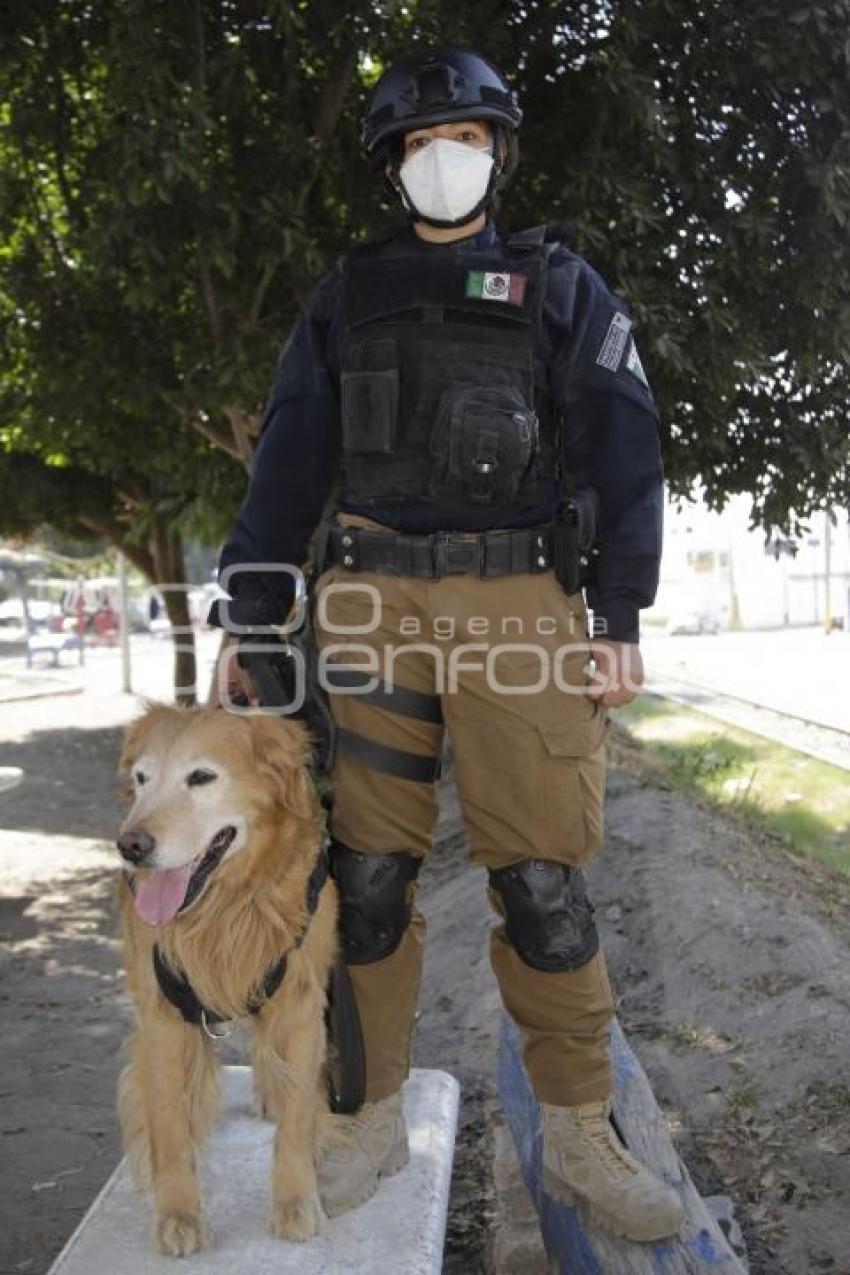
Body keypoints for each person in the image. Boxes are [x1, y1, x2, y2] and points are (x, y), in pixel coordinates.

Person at [211, 46, 683, 1243]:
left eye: (464, 139)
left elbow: (627, 449)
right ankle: (365, 1114)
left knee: (542, 882)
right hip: (367, 599)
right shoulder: (345, 296)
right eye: (420, 145)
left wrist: (619, 617)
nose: (443, 160)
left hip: (518, 599)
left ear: (498, 152)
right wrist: (250, 619)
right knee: (366, 879)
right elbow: (287, 464)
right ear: (392, 167)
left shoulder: (560, 287)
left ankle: (579, 1129)